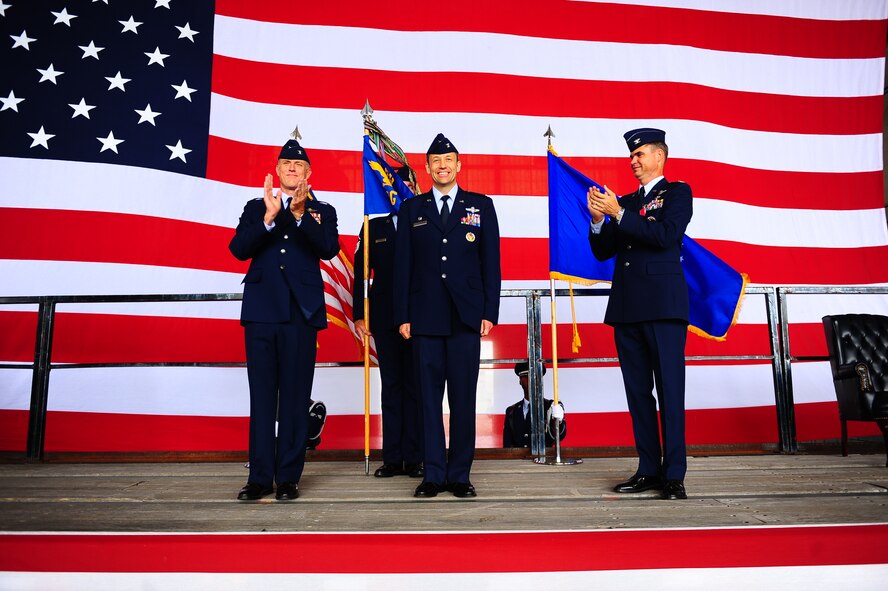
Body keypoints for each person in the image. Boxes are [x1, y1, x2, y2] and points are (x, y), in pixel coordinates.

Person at [229, 138, 340, 501]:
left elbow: (327, 248)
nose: (292, 169)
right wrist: (269, 216)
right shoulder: (255, 206)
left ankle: (289, 478)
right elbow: (238, 249)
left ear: (309, 173)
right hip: (261, 314)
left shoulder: (322, 210)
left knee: (294, 399)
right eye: (286, 164)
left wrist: (297, 214)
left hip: (300, 315)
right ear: (277, 171)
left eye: (299, 165)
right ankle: (260, 478)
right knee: (261, 399)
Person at [586, 127, 693, 500]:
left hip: (664, 307)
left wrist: (618, 212)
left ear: (659, 157)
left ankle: (674, 473)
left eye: (641, 155)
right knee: (638, 394)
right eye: (632, 156)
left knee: (670, 391)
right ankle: (648, 468)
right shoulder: (626, 201)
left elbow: (665, 236)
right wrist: (599, 219)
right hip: (628, 308)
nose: (634, 161)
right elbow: (603, 251)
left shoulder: (678, 193)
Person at [394, 133, 501, 498]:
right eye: (435, 161)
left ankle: (459, 475)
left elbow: (491, 264)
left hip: (465, 318)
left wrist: (490, 311)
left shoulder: (480, 206)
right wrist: (403, 315)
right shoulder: (411, 210)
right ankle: (433, 475)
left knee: (463, 399)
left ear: (459, 165)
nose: (442, 166)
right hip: (424, 317)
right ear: (426, 168)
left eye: (448, 160)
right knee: (427, 399)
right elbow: (402, 267)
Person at [353, 167, 424, 479]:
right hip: (383, 316)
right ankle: (393, 457)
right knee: (392, 385)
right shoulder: (373, 224)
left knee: (417, 387)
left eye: (406, 182)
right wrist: (358, 314)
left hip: (419, 315)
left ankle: (417, 457)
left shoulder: (424, 219)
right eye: (393, 183)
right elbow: (360, 274)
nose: (400, 187)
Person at [502, 362, 567, 448]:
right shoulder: (511, 411)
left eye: (534, 377)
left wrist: (558, 421)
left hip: (543, 459)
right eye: (526, 376)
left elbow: (559, 436)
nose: (530, 380)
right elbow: (507, 447)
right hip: (518, 460)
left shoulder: (551, 407)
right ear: (520, 381)